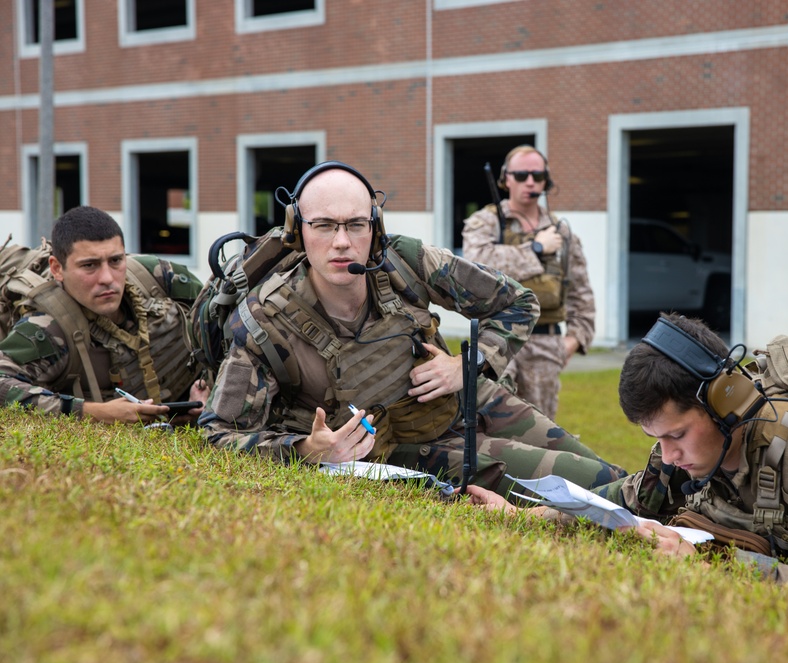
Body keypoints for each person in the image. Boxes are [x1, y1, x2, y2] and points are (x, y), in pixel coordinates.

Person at [470, 312, 788, 593]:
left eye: (675, 435)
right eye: (656, 439)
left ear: (727, 401)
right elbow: (625, 503)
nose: (667, 454)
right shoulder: (683, 456)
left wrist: (716, 560)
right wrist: (532, 515)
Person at [198, 161, 625, 496]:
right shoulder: (264, 322)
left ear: (375, 227)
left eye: (356, 225)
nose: (342, 241)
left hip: (471, 399)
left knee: (604, 468)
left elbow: (517, 302)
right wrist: (307, 450)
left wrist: (466, 365)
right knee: (587, 482)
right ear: (297, 231)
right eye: (324, 226)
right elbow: (217, 434)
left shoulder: (404, 261)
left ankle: (679, 513)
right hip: (410, 447)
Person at [0, 206, 208, 424]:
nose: (107, 278)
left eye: (116, 261)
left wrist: (209, 387)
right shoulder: (46, 327)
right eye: (90, 266)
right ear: (57, 269)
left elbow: (224, 331)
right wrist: (96, 413)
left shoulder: (159, 278)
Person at [462, 145, 594, 419]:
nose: (530, 181)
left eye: (537, 175)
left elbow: (580, 290)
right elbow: (474, 265)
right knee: (490, 421)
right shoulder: (486, 221)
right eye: (521, 175)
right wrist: (534, 249)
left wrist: (573, 340)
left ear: (547, 180)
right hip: (495, 337)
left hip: (545, 342)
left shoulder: (561, 231)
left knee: (541, 427)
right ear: (506, 179)